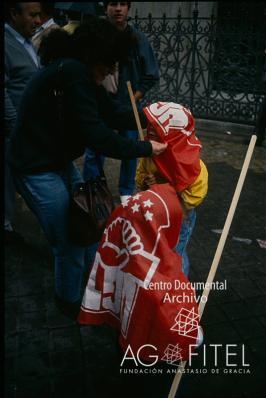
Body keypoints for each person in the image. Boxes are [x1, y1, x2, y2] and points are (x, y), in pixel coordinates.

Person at [7, 18, 167, 319]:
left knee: (89, 222)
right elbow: (97, 135)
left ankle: (92, 286)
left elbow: (112, 113)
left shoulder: (79, 73)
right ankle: (68, 302)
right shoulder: (73, 73)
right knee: (68, 239)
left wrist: (151, 119)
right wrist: (145, 147)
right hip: (34, 167)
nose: (111, 71)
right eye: (109, 64)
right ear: (94, 56)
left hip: (56, 161)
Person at [83, 2, 159, 204]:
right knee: (96, 148)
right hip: (100, 101)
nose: (118, 9)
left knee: (130, 148)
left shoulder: (138, 39)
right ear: (105, 7)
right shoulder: (96, 34)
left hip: (127, 104)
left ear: (128, 8)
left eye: (122, 4)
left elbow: (151, 74)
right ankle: (93, 187)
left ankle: (126, 190)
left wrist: (134, 97)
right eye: (113, 4)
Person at [135, 102, 208, 277]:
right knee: (155, 252)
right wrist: (146, 182)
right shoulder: (151, 156)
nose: (150, 132)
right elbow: (140, 180)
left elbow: (193, 199)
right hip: (155, 215)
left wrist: (165, 185)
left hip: (179, 219)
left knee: (175, 254)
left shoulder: (194, 165)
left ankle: (177, 292)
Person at [4, 2, 41, 245]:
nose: (38, 20)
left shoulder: (27, 42)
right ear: (14, 14)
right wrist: (16, 125)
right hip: (13, 130)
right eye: (33, 15)